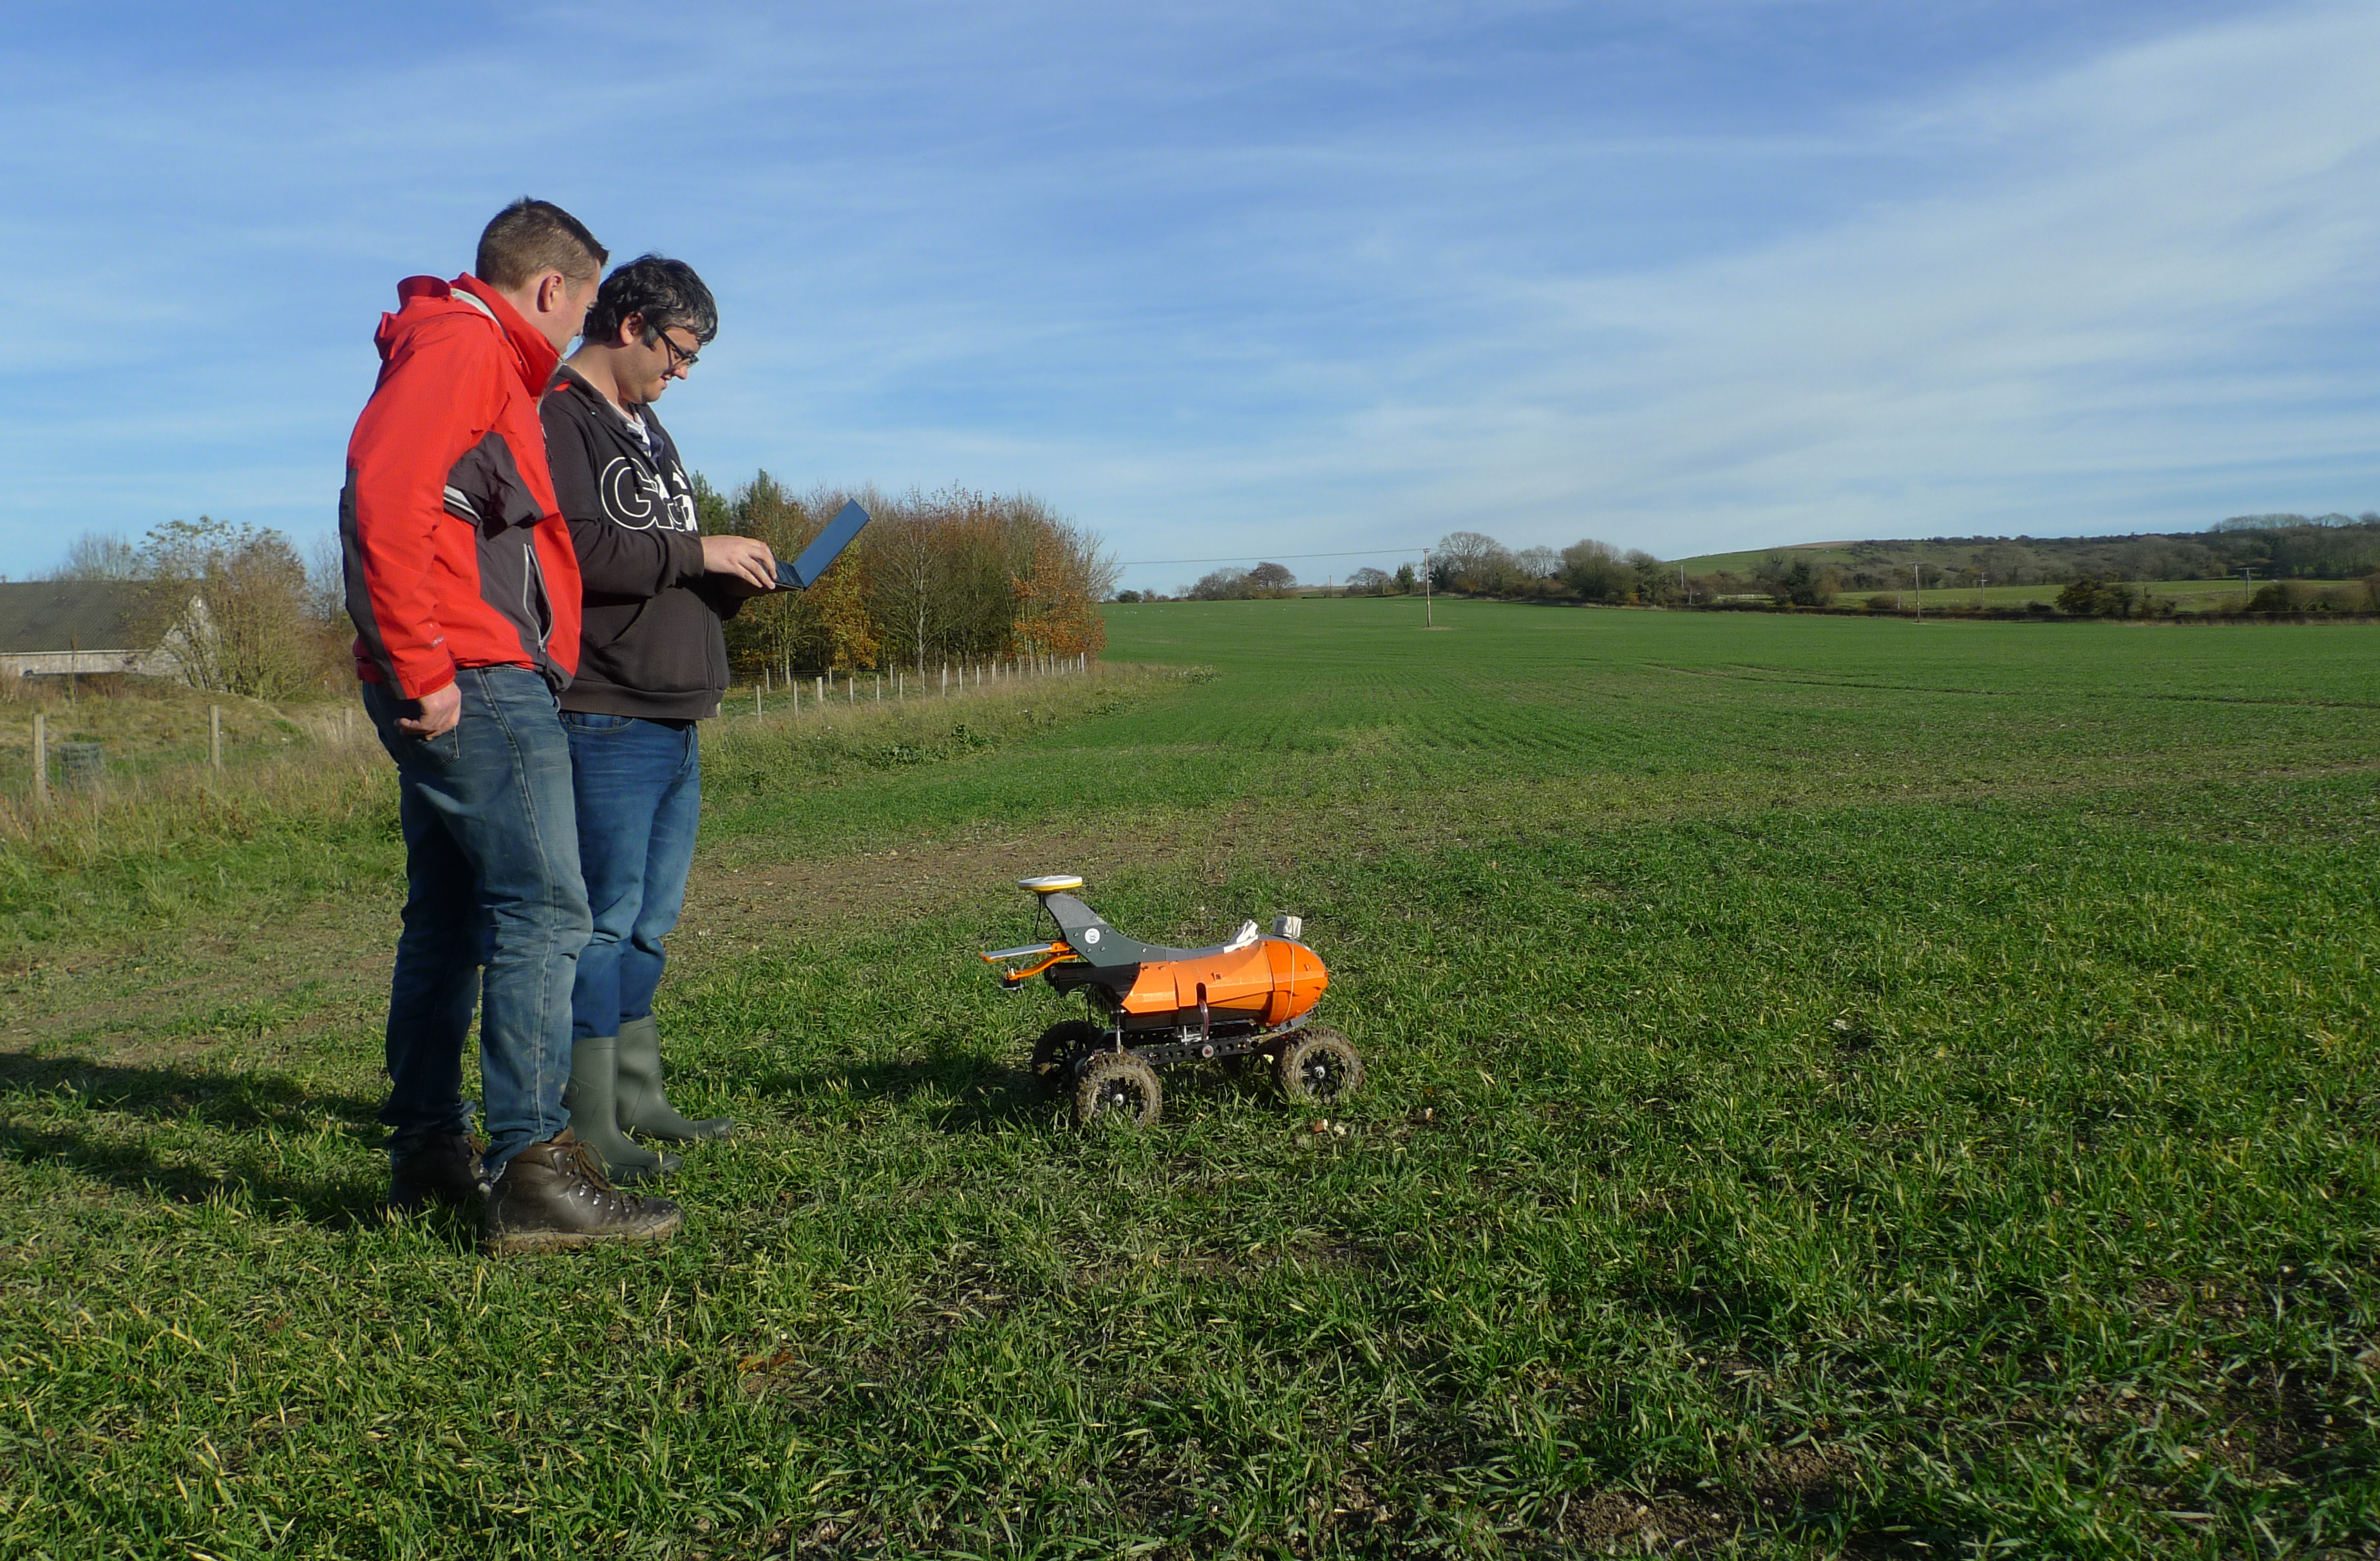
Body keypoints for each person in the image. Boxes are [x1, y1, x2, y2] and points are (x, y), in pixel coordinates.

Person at [341, 198, 682, 1254]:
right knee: (546, 909)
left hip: (463, 665)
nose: (579, 322)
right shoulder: (465, 345)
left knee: (448, 919)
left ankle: (429, 1150)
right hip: (474, 675)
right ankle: (534, 1168)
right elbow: (382, 494)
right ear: (552, 290)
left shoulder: (459, 350)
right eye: (582, 299)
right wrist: (423, 663)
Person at [538, 254, 775, 1179]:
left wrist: (728, 573)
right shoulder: (560, 415)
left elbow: (661, 555)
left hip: (675, 715)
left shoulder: (647, 428)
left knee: (650, 926)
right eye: (678, 353)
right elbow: (579, 549)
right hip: (606, 711)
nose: (682, 374)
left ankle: (639, 1097)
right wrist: (696, 548)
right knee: (602, 923)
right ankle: (588, 1119)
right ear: (630, 323)